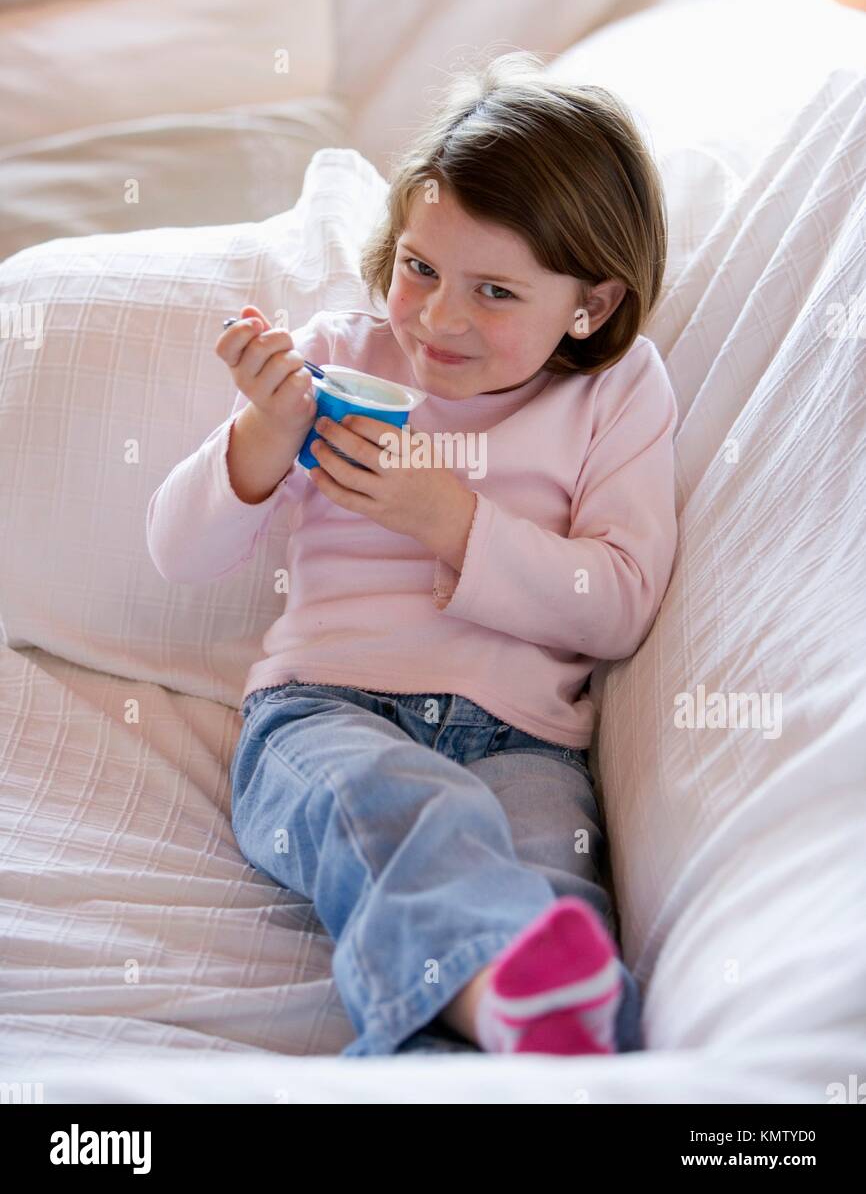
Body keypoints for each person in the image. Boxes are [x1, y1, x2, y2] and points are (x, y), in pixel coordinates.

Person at [147, 51, 678, 1058]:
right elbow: (177, 551)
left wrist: (449, 519)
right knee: (397, 811)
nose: (437, 317)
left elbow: (616, 603)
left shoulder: (613, 394)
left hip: (524, 745)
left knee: (552, 911)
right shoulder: (339, 361)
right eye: (420, 268)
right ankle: (524, 1022)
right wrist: (262, 434)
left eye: (493, 291)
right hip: (322, 715)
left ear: (591, 305)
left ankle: (489, 1053)